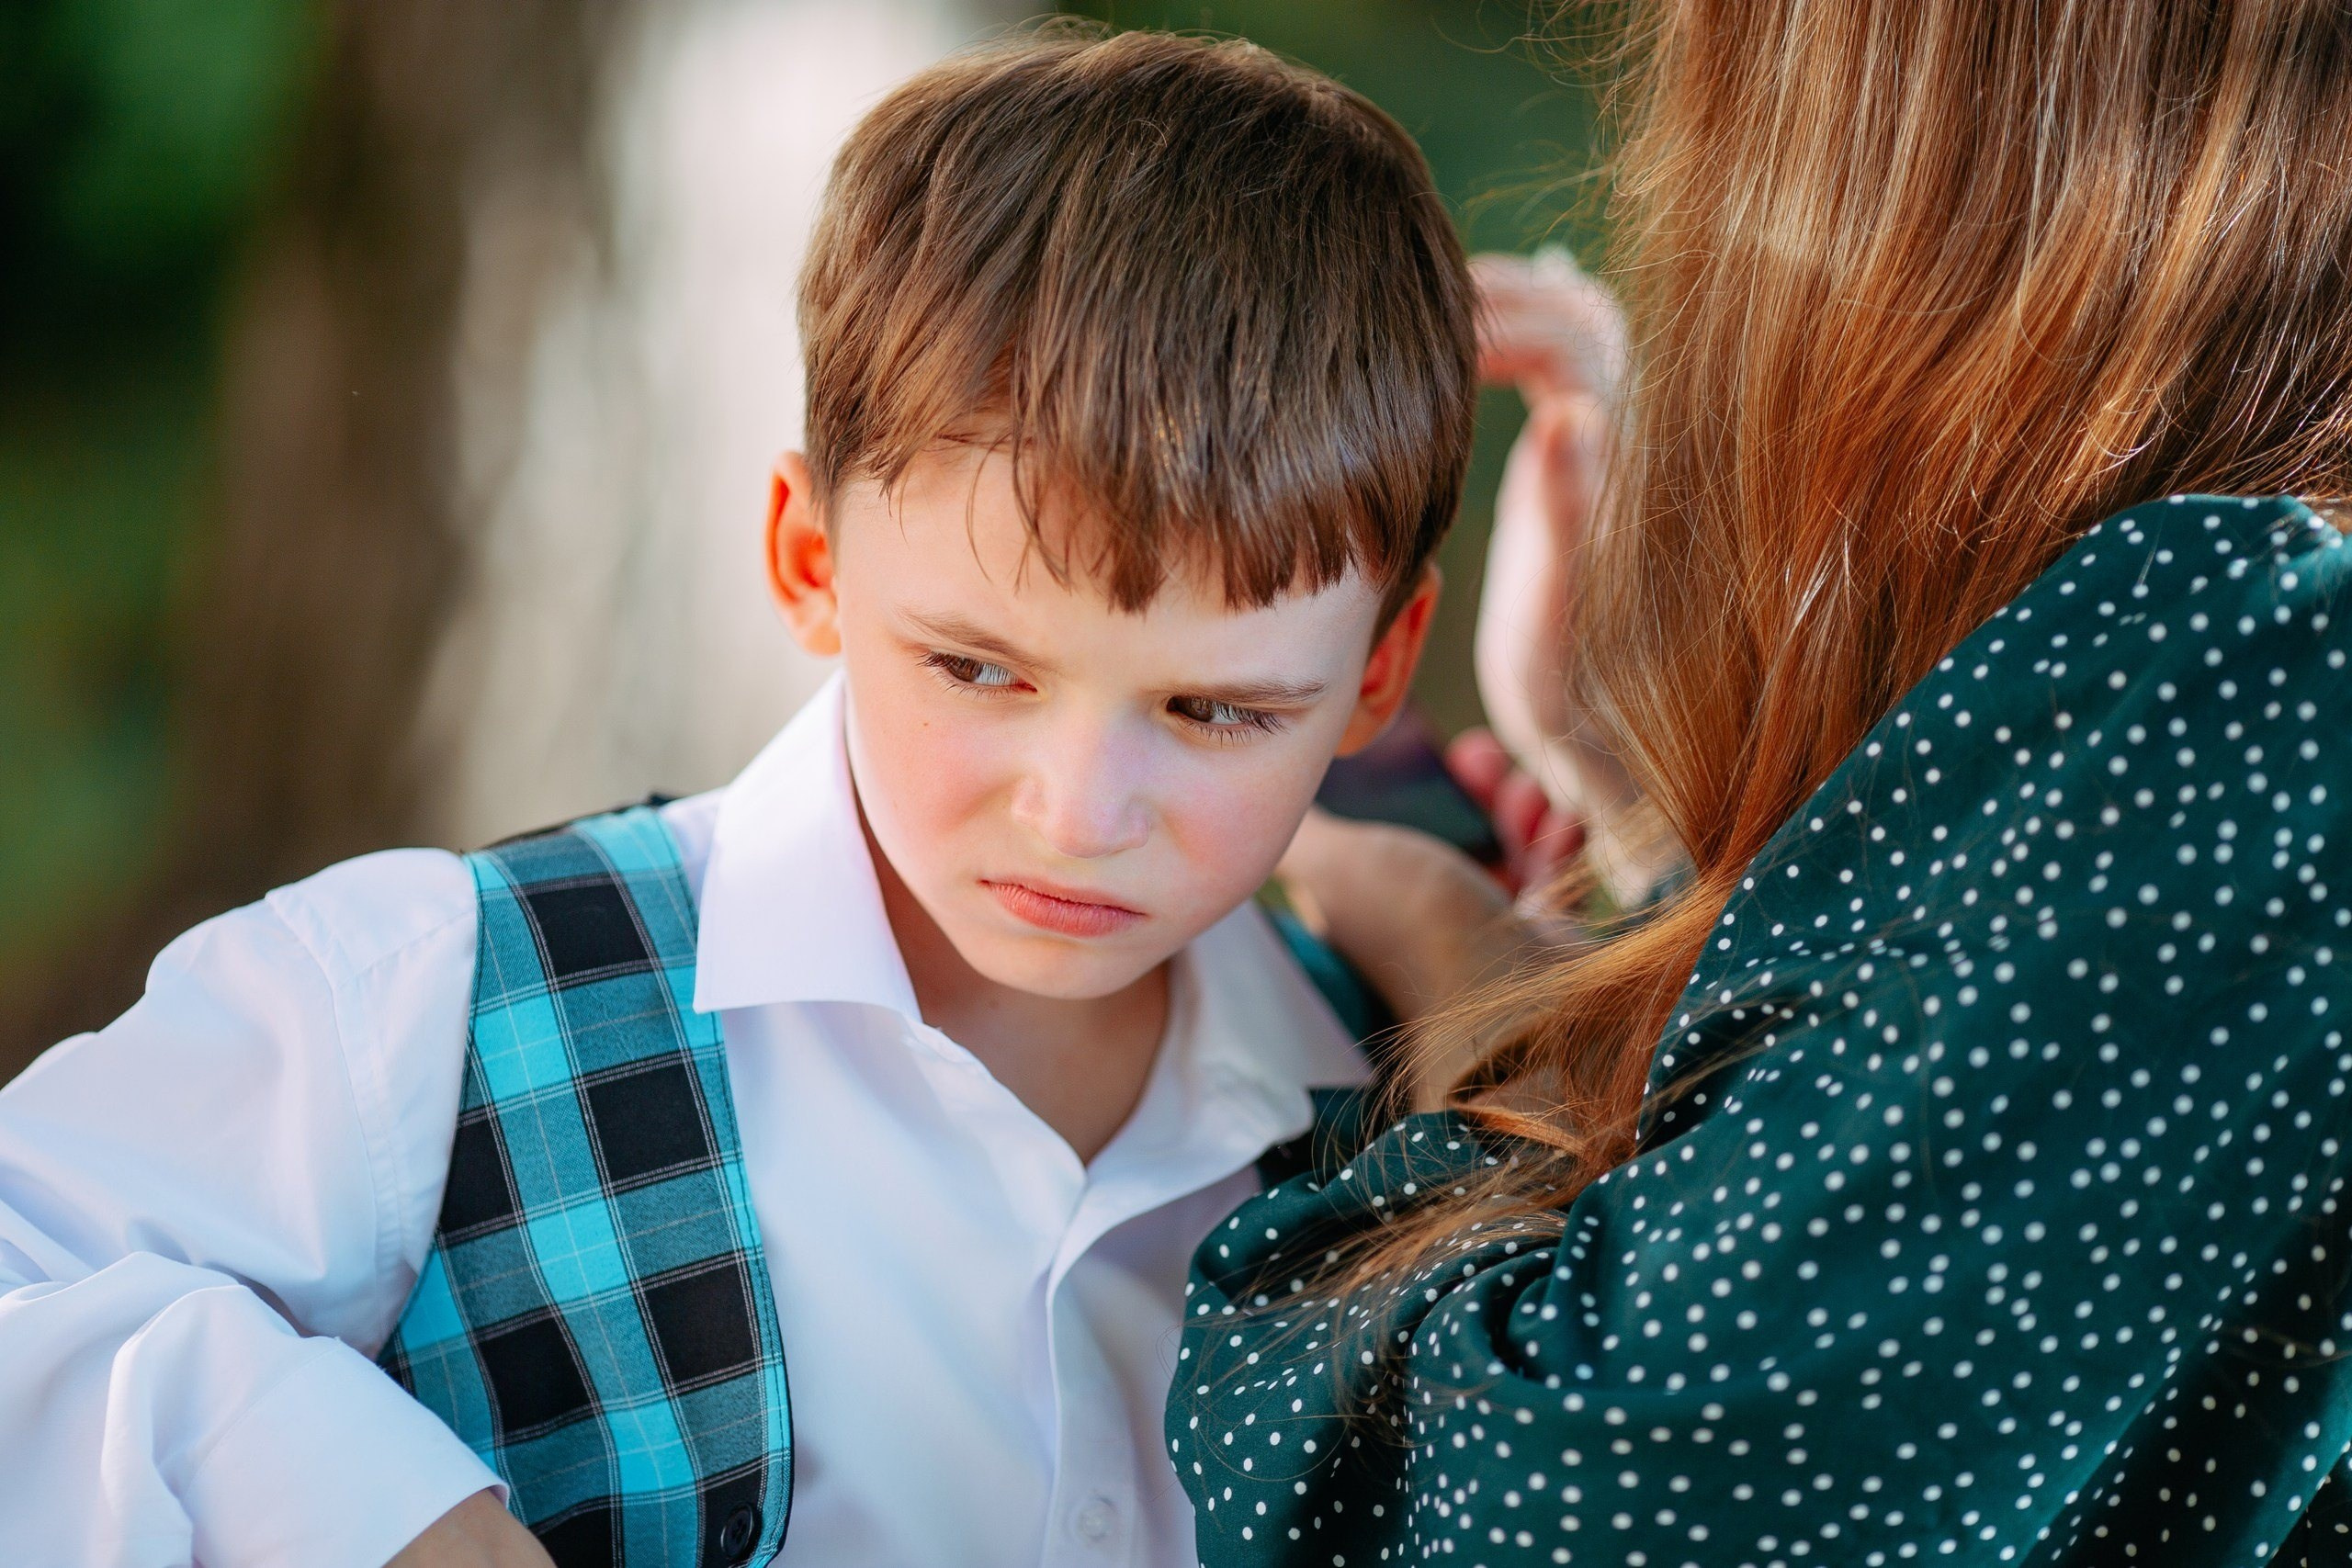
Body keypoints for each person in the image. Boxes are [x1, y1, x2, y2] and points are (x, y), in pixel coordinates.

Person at [0, 29, 1477, 1568]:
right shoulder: (438, 995)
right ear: (809, 562)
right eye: (977, 671)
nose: (1078, 810)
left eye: (1217, 710)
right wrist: (374, 1511)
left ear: (1381, 670)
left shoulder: (1412, 1100)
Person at [1172, 3, 2352, 1565]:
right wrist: (1645, 790)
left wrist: (1475, 981)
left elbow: (1540, 1502)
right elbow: (1958, 1304)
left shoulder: (2270, 652)